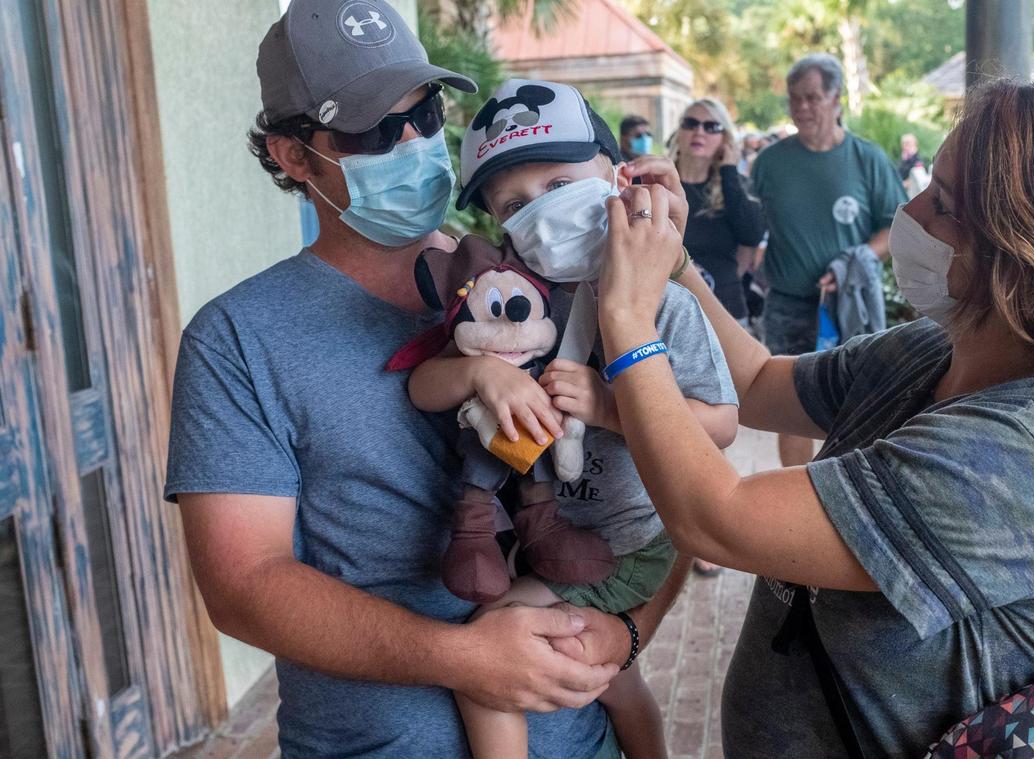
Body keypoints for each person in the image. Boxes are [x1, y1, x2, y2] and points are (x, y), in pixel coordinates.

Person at [165, 3, 682, 756]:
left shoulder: (533, 273)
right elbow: (244, 585)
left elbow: (672, 471)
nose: (412, 141)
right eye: (372, 130)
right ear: (293, 155)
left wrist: (631, 628)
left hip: (582, 734)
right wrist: (466, 658)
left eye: (426, 112)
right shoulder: (237, 338)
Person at [596, 77, 1034, 757]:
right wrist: (675, 262)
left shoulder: (1032, 459)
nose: (908, 213)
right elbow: (761, 380)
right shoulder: (939, 347)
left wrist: (625, 319)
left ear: (1030, 253)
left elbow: (713, 515)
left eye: (942, 204)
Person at [407, 78, 739, 759]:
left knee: (486, 655)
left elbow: (723, 421)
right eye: (515, 205)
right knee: (619, 683)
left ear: (617, 176)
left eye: (562, 184)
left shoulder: (664, 304)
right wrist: (479, 371)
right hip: (554, 532)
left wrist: (611, 407)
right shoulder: (516, 304)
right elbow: (422, 386)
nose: (543, 213)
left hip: (630, 540)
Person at [749, 53, 906, 468]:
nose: (801, 107)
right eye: (794, 98)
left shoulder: (867, 160)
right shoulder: (770, 163)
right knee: (788, 409)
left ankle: (842, 493)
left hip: (844, 306)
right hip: (786, 303)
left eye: (812, 97)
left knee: (853, 404)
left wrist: (853, 261)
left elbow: (894, 228)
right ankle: (794, 491)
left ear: (837, 100)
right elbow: (751, 225)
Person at [673, 97, 765, 326]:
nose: (699, 132)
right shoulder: (658, 181)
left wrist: (729, 171)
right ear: (679, 132)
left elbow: (751, 236)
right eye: (691, 123)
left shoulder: (734, 184)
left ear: (725, 138)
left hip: (726, 309)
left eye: (711, 126)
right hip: (669, 311)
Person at [897, 133, 930, 199]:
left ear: (914, 143)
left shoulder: (918, 161)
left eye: (907, 143)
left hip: (909, 195)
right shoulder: (904, 158)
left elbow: (914, 180)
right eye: (903, 143)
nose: (904, 146)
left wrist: (897, 185)